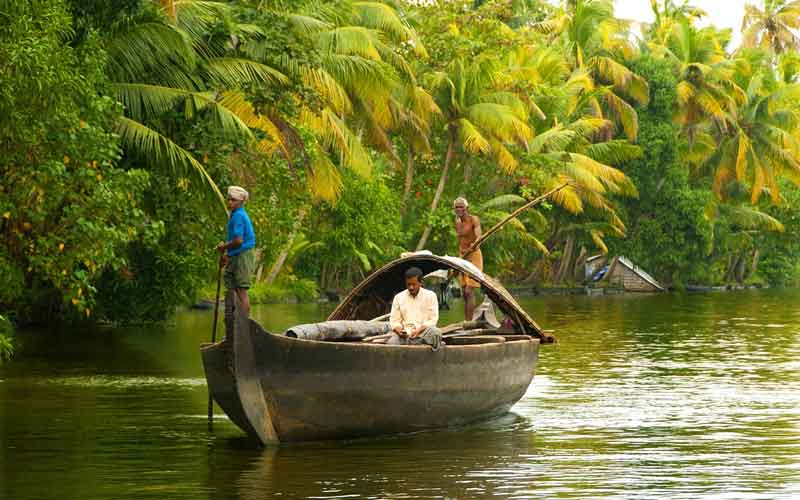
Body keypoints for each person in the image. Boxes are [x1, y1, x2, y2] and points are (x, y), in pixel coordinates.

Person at [217, 186, 256, 317]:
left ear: (240, 202)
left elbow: (239, 241)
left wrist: (223, 248)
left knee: (241, 290)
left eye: (233, 200)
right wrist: (227, 255)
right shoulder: (234, 215)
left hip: (243, 255)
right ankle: (233, 324)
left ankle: (244, 325)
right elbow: (234, 241)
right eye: (228, 200)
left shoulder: (239, 215)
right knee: (231, 290)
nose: (230, 203)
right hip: (237, 255)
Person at [387, 267, 442, 350]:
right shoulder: (398, 297)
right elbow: (394, 321)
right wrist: (400, 331)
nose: (411, 287)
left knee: (436, 332)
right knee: (391, 343)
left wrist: (419, 330)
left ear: (421, 282)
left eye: (414, 284)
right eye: (408, 284)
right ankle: (416, 343)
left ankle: (415, 343)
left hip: (423, 333)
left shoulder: (431, 296)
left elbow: (433, 320)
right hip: (405, 335)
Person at [453, 196, 483, 321]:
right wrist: (459, 258)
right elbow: (461, 240)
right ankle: (467, 321)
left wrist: (474, 245)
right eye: (457, 207)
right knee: (464, 292)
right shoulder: (457, 222)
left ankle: (469, 322)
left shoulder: (474, 219)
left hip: (474, 255)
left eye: (461, 207)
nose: (459, 209)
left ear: (467, 208)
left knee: (469, 291)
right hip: (463, 256)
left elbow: (479, 237)